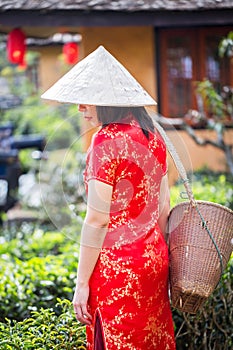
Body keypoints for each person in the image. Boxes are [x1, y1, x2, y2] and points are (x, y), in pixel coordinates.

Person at [42, 46, 176, 350]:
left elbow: (98, 219)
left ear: (107, 101)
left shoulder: (106, 140)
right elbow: (164, 207)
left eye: (85, 100)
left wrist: (80, 285)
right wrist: (163, 259)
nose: (80, 109)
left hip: (119, 269)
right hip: (154, 261)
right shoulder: (152, 135)